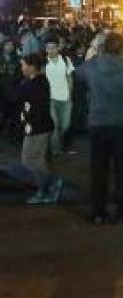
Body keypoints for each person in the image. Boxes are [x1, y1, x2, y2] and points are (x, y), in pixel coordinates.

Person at [77, 33, 123, 225]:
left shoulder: (92, 67)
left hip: (98, 124)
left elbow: (77, 74)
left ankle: (99, 212)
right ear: (121, 49)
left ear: (103, 47)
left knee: (99, 171)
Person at [17, 53, 62, 204]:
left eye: (23, 65)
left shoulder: (36, 83)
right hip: (38, 127)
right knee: (36, 159)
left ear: (31, 67)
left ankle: (48, 186)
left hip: (38, 128)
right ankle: (48, 187)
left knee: (30, 159)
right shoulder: (36, 81)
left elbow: (18, 97)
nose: (21, 68)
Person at [44, 37, 74, 155]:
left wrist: (70, 95)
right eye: (48, 48)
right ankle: (55, 149)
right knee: (55, 124)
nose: (50, 50)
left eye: (52, 47)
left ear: (58, 48)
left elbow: (70, 78)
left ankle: (55, 144)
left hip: (65, 98)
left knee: (65, 125)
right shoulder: (44, 62)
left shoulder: (66, 60)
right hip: (51, 98)